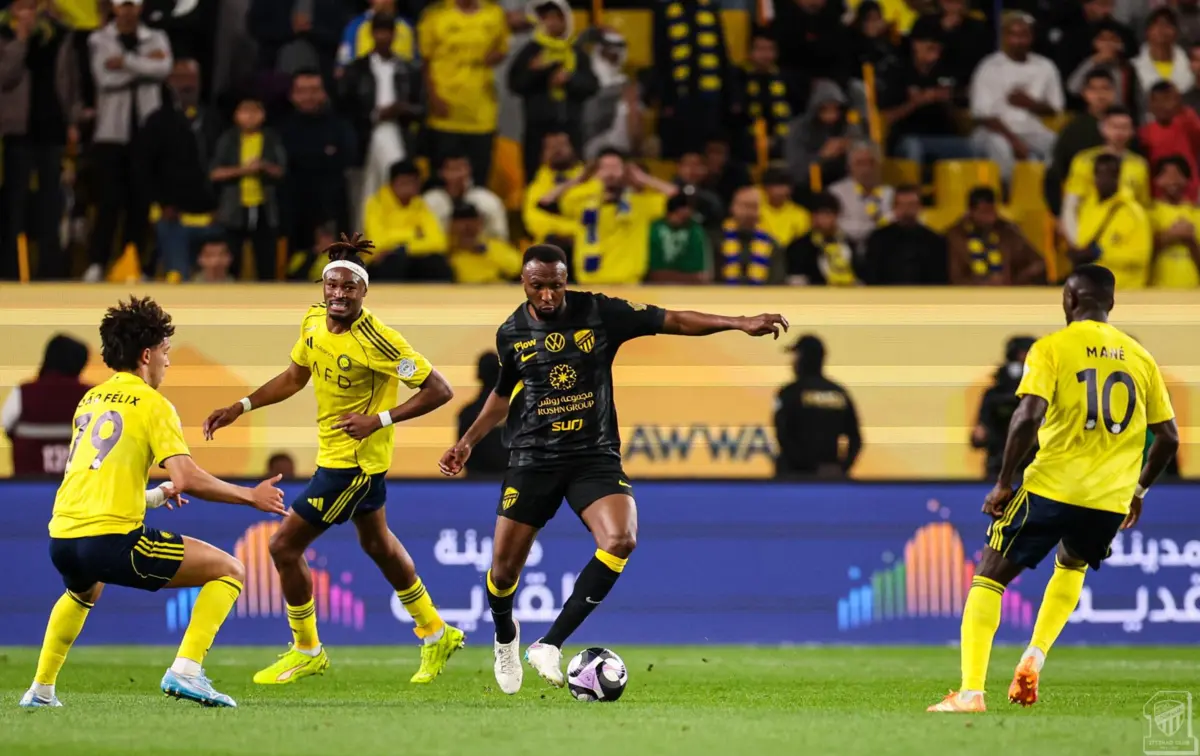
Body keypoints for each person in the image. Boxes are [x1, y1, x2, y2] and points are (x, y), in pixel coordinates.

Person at [439, 244, 788, 694]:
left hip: (593, 455)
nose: (547, 295)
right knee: (503, 573)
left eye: (556, 285)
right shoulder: (511, 332)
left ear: (567, 280)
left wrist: (739, 323)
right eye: (537, 286)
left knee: (621, 538)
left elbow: (674, 320)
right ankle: (506, 635)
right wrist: (466, 442)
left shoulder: (600, 313)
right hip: (534, 458)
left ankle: (549, 644)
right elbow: (502, 394)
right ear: (524, 283)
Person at [202, 233, 464, 687]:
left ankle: (307, 649)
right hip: (336, 456)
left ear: (364, 292)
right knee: (378, 545)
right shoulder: (312, 321)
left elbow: (439, 390)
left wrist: (377, 420)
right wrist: (240, 407)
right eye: (333, 287)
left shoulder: (380, 340)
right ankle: (435, 631)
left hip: (354, 465)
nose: (339, 295)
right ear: (323, 289)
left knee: (283, 546)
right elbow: (293, 376)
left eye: (349, 288)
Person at [929, 264, 1179, 713]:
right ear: (1111, 303)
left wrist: (1004, 482)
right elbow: (1170, 437)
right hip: (1107, 500)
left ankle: (970, 693)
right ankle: (1035, 655)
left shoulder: (1052, 347)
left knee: (989, 574)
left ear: (1068, 300)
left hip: (1052, 486)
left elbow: (1027, 416)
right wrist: (1137, 492)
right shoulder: (1141, 358)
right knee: (1071, 566)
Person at [18, 297, 286, 709]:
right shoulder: (153, 404)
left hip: (63, 539)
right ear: (147, 355)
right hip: (110, 540)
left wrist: (159, 495)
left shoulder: (91, 401)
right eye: (165, 353)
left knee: (83, 592)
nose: (167, 363)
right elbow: (188, 477)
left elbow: (99, 482)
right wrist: (251, 496)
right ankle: (187, 670)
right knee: (229, 569)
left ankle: (41, 690)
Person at [773, 334, 862, 479]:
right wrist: (841, 468)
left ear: (802, 359)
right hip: (829, 479)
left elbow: (783, 436)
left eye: (796, 356)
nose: (792, 363)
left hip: (795, 477)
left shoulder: (790, 393)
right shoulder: (839, 393)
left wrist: (810, 468)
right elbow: (856, 439)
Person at [2, 335, 91, 476]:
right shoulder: (90, 395)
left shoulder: (23, 392)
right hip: (77, 489)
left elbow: (6, 424)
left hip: (28, 489)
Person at [1061, 105, 1149, 247]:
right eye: (1114, 126)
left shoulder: (1140, 165)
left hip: (1127, 236)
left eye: (1124, 127)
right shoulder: (1084, 160)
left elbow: (1142, 206)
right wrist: (1076, 241)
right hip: (1091, 235)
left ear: (1132, 131)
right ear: (1102, 128)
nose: (1119, 132)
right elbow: (1071, 205)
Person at [1071, 154, 1152, 290]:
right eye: (1099, 174)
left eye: (1108, 174)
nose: (1103, 179)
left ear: (1118, 176)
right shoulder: (1087, 208)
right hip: (1094, 292)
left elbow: (1141, 256)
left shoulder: (1133, 212)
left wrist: (1102, 254)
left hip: (1126, 291)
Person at [970, 336, 1037, 482]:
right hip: (1000, 463)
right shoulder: (994, 395)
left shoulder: (1041, 394)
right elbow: (978, 436)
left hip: (1033, 465)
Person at [1149, 155, 1200, 287]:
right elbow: (1144, 253)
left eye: (1178, 175)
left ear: (1188, 180)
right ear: (1156, 180)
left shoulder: (1196, 214)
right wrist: (1171, 236)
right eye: (1166, 176)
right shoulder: (1149, 213)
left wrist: (1191, 241)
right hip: (1157, 290)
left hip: (1193, 290)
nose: (1173, 181)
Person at [455, 352, 508, 478]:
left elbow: (461, 456)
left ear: (479, 375)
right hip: (512, 484)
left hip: (476, 485)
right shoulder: (521, 412)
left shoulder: (467, 414)